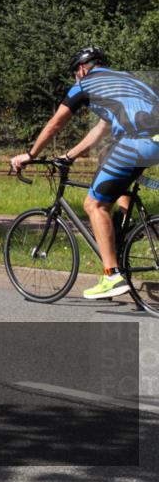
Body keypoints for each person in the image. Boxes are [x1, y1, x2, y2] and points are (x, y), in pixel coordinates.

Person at [11, 47, 159, 300]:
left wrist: (31, 155)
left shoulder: (85, 84)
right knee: (108, 162)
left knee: (93, 204)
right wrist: (69, 156)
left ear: (81, 69)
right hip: (152, 141)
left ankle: (112, 275)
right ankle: (121, 232)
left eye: (75, 74)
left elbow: (55, 123)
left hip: (138, 142)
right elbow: (101, 130)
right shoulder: (125, 79)